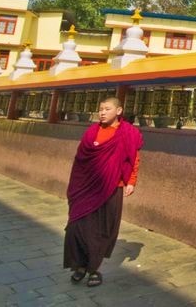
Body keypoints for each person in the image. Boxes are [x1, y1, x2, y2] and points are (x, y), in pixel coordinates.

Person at [64, 96, 143, 287]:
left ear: (118, 111)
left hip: (112, 187)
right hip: (86, 188)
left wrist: (131, 181)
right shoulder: (92, 132)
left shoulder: (128, 133)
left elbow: (134, 158)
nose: (102, 112)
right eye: (100, 109)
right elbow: (81, 160)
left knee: (102, 231)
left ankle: (93, 269)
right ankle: (79, 265)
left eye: (107, 109)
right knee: (76, 227)